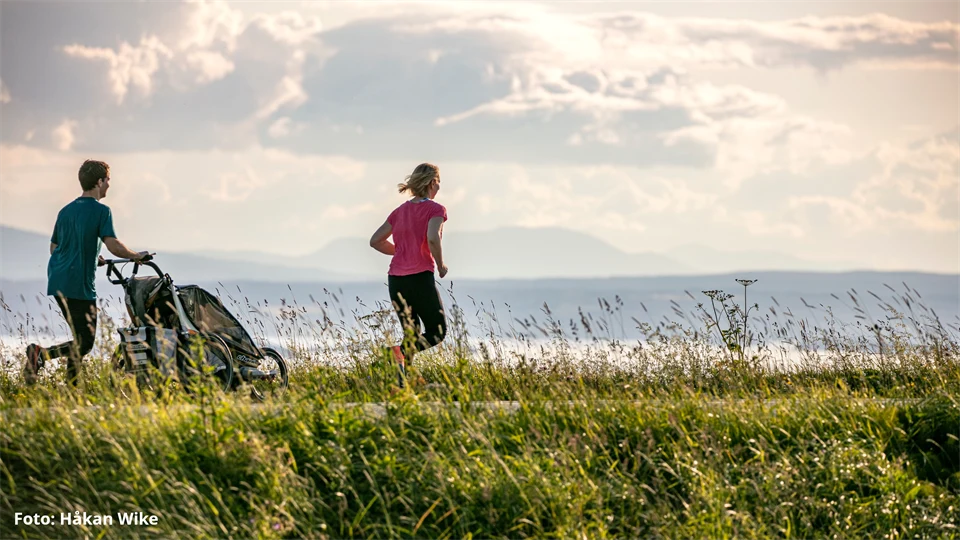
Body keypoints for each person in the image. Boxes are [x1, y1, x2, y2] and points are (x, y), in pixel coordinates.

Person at [24, 159, 149, 386]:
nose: (109, 185)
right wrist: (136, 256)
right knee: (85, 343)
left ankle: (72, 391)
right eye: (108, 180)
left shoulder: (65, 211)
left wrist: (92, 257)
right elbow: (113, 245)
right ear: (99, 181)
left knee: (78, 339)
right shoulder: (101, 211)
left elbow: (54, 248)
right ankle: (39, 354)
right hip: (78, 283)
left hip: (58, 280)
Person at [369, 162, 448, 387]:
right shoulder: (436, 209)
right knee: (437, 330)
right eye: (439, 181)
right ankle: (395, 353)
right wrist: (441, 264)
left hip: (396, 280)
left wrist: (401, 250)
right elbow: (433, 237)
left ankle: (406, 381)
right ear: (432, 182)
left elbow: (375, 241)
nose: (439, 186)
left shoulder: (399, 211)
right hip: (419, 277)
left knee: (411, 333)